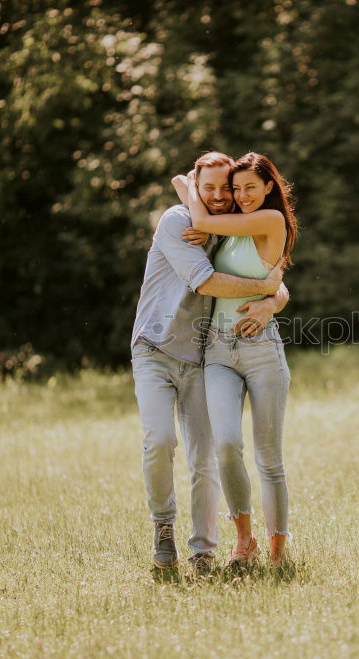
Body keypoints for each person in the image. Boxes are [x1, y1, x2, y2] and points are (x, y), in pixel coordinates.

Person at [131, 151, 290, 573]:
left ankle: (204, 551)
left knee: (207, 455)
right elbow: (207, 280)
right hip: (156, 348)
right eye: (211, 188)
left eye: (230, 188)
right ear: (198, 188)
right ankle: (163, 528)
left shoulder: (227, 224)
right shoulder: (179, 222)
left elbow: (274, 271)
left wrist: (273, 300)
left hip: (202, 354)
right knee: (162, 441)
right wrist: (264, 288)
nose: (222, 196)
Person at [171, 152, 298, 568]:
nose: (240, 196)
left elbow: (201, 217)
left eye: (249, 188)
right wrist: (194, 184)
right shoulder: (228, 227)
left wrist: (271, 303)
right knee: (225, 445)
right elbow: (180, 182)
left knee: (268, 458)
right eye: (233, 188)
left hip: (261, 350)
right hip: (219, 351)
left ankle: (278, 548)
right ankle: (244, 540)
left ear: (268, 188)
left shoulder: (270, 221)